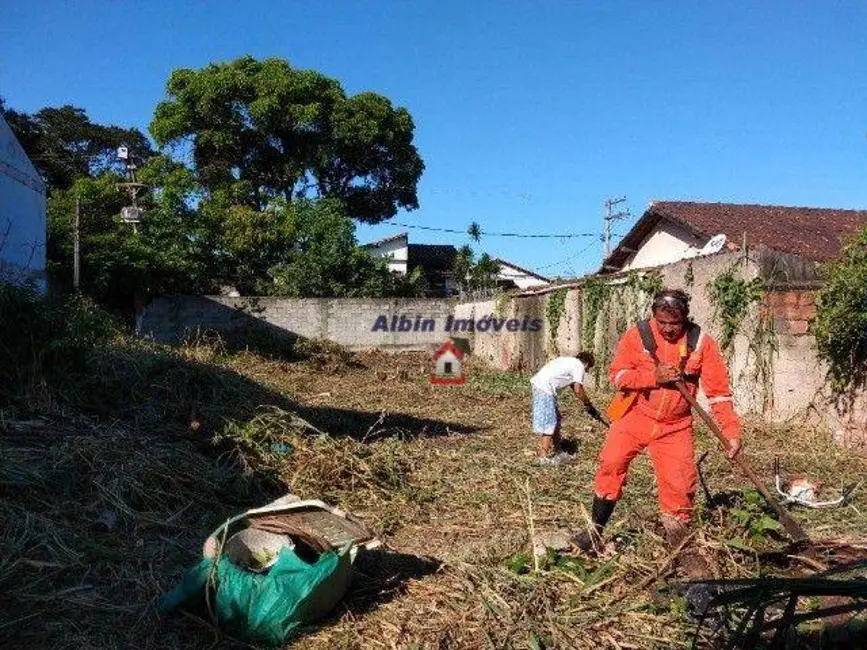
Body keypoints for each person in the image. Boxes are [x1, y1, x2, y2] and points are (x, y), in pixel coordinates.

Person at [573, 289, 742, 577]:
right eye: (661, 322)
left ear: (685, 318)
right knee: (611, 465)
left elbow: (718, 394)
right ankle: (595, 531)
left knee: (680, 486)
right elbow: (617, 376)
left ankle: (678, 551)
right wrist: (653, 377)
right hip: (634, 415)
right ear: (654, 315)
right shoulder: (637, 336)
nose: (666, 329)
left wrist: (731, 432)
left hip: (675, 426)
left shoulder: (702, 344)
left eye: (673, 324)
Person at [530, 351, 602, 463]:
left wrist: (588, 405)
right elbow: (578, 390)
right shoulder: (579, 366)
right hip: (545, 389)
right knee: (549, 424)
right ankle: (543, 459)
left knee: (556, 420)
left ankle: (559, 451)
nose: (587, 371)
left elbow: (574, 387)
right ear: (587, 364)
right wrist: (588, 405)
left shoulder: (568, 361)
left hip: (540, 385)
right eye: (588, 369)